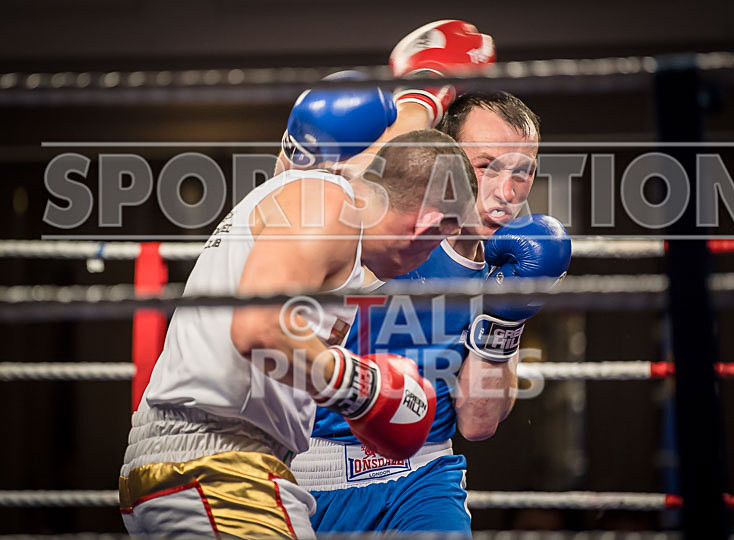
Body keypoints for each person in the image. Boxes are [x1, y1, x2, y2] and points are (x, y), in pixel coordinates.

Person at [118, 76, 479, 537]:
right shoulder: (323, 204)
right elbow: (259, 328)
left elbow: (399, 164)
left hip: (228, 465)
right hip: (218, 467)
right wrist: (362, 388)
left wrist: (421, 95)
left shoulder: (327, 214)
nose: (427, 258)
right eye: (437, 241)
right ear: (428, 227)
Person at [292, 90, 572, 535]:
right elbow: (296, 197)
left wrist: (505, 313)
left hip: (423, 475)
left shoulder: (511, 265)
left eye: (524, 172)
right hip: (311, 472)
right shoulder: (381, 227)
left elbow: (478, 423)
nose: (506, 192)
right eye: (486, 167)